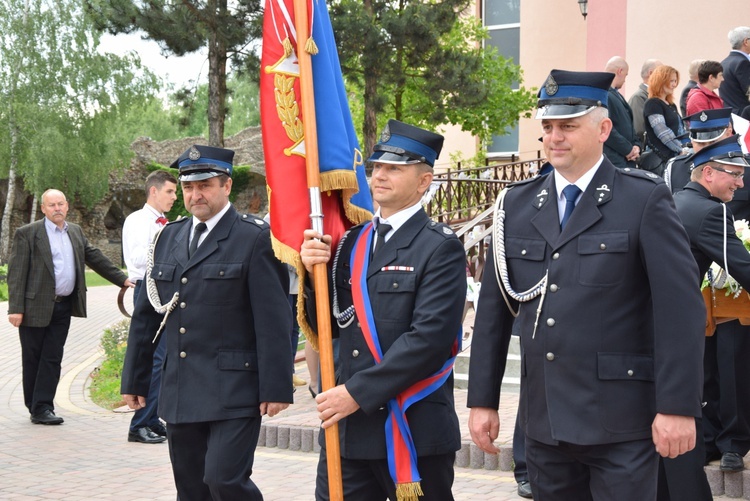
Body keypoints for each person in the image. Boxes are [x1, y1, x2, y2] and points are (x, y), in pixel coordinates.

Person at [467, 69, 706, 500]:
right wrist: (482, 399)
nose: (555, 137)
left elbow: (680, 309)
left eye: (568, 126)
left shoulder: (643, 199)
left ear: (604, 129)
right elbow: (494, 310)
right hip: (545, 422)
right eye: (548, 127)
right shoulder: (518, 204)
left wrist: (677, 407)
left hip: (622, 422)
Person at [300, 120, 466, 500]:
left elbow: (430, 339)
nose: (380, 176)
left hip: (413, 425)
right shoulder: (351, 243)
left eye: (395, 168)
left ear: (424, 181)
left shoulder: (440, 247)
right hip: (350, 431)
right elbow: (327, 325)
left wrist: (355, 393)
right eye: (376, 167)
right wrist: (312, 278)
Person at [120, 145, 293, 500]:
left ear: (226, 186)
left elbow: (273, 318)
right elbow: (148, 314)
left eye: (206, 186)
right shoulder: (168, 237)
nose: (195, 195)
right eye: (188, 187)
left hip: (235, 388)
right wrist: (135, 377)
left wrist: (276, 386)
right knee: (191, 488)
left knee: (224, 480)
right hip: (182, 387)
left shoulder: (255, 237)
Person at [7, 189, 132, 425]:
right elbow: (16, 273)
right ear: (43, 209)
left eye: (61, 204)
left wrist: (122, 279)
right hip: (34, 307)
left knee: (52, 357)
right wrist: (15, 308)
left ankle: (43, 406)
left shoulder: (74, 231)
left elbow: (93, 256)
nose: (57, 208)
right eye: (51, 205)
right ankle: (35, 405)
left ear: (67, 206)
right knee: (33, 357)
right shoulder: (28, 233)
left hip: (63, 306)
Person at [673, 134, 750, 477]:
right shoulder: (711, 212)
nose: (741, 182)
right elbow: (743, 268)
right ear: (708, 174)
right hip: (682, 319)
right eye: (733, 174)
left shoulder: (673, 200)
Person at [121, 170, 177, 444]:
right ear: (153, 191)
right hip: (148, 290)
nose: (174, 197)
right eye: (170, 191)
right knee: (152, 358)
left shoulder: (164, 222)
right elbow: (140, 260)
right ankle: (139, 424)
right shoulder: (138, 220)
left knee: (163, 359)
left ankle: (152, 417)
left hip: (163, 290)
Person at [665, 107, 734, 194]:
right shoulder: (675, 168)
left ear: (728, 133)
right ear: (692, 141)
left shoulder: (745, 168)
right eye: (700, 143)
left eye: (713, 142)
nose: (706, 149)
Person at [643, 65, 690, 175]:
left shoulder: (671, 104)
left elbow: (680, 130)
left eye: (675, 81)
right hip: (662, 159)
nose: (674, 85)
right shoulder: (653, 104)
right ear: (661, 81)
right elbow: (662, 132)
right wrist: (680, 149)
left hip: (674, 157)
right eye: (671, 81)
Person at [603, 56, 640, 168]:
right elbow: (607, 129)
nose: (625, 79)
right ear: (620, 71)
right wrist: (628, 150)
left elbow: (629, 127)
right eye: (626, 75)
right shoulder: (605, 94)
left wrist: (637, 146)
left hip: (625, 160)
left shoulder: (616, 95)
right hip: (615, 161)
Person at [629, 58, 663, 144]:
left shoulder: (656, 97)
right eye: (662, 72)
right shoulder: (638, 98)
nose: (664, 77)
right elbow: (640, 130)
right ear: (651, 73)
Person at [719, 26, 750, 114]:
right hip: (744, 117)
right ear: (746, 42)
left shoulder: (724, 62)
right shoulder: (743, 63)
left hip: (730, 116)